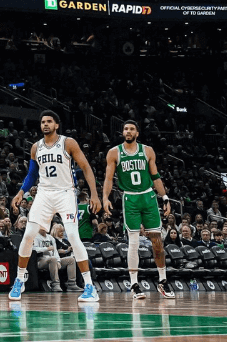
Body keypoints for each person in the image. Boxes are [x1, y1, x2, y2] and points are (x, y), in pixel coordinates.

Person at [9, 110, 101, 302]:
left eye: (49, 121)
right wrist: (20, 193)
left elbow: (85, 167)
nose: (45, 124)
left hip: (65, 193)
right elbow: (31, 175)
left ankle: (89, 286)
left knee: (74, 237)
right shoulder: (36, 147)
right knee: (27, 235)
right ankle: (19, 280)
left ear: (56, 125)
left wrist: (94, 194)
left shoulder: (68, 143)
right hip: (44, 193)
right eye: (43, 122)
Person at [102, 120, 175, 300]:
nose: (128, 131)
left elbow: (155, 176)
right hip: (130, 198)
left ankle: (163, 281)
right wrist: (105, 198)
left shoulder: (147, 150)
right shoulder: (114, 153)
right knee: (133, 242)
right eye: (125, 129)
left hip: (149, 196)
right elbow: (109, 178)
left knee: (157, 241)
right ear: (122, 132)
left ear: (137, 133)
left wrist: (165, 197)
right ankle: (134, 284)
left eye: (132, 129)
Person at [34, 223, 77, 291]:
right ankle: (55, 284)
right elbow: (34, 249)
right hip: (40, 260)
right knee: (52, 259)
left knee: (71, 260)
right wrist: (46, 249)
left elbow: (55, 252)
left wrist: (59, 261)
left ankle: (71, 284)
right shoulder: (35, 237)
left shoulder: (51, 238)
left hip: (53, 260)